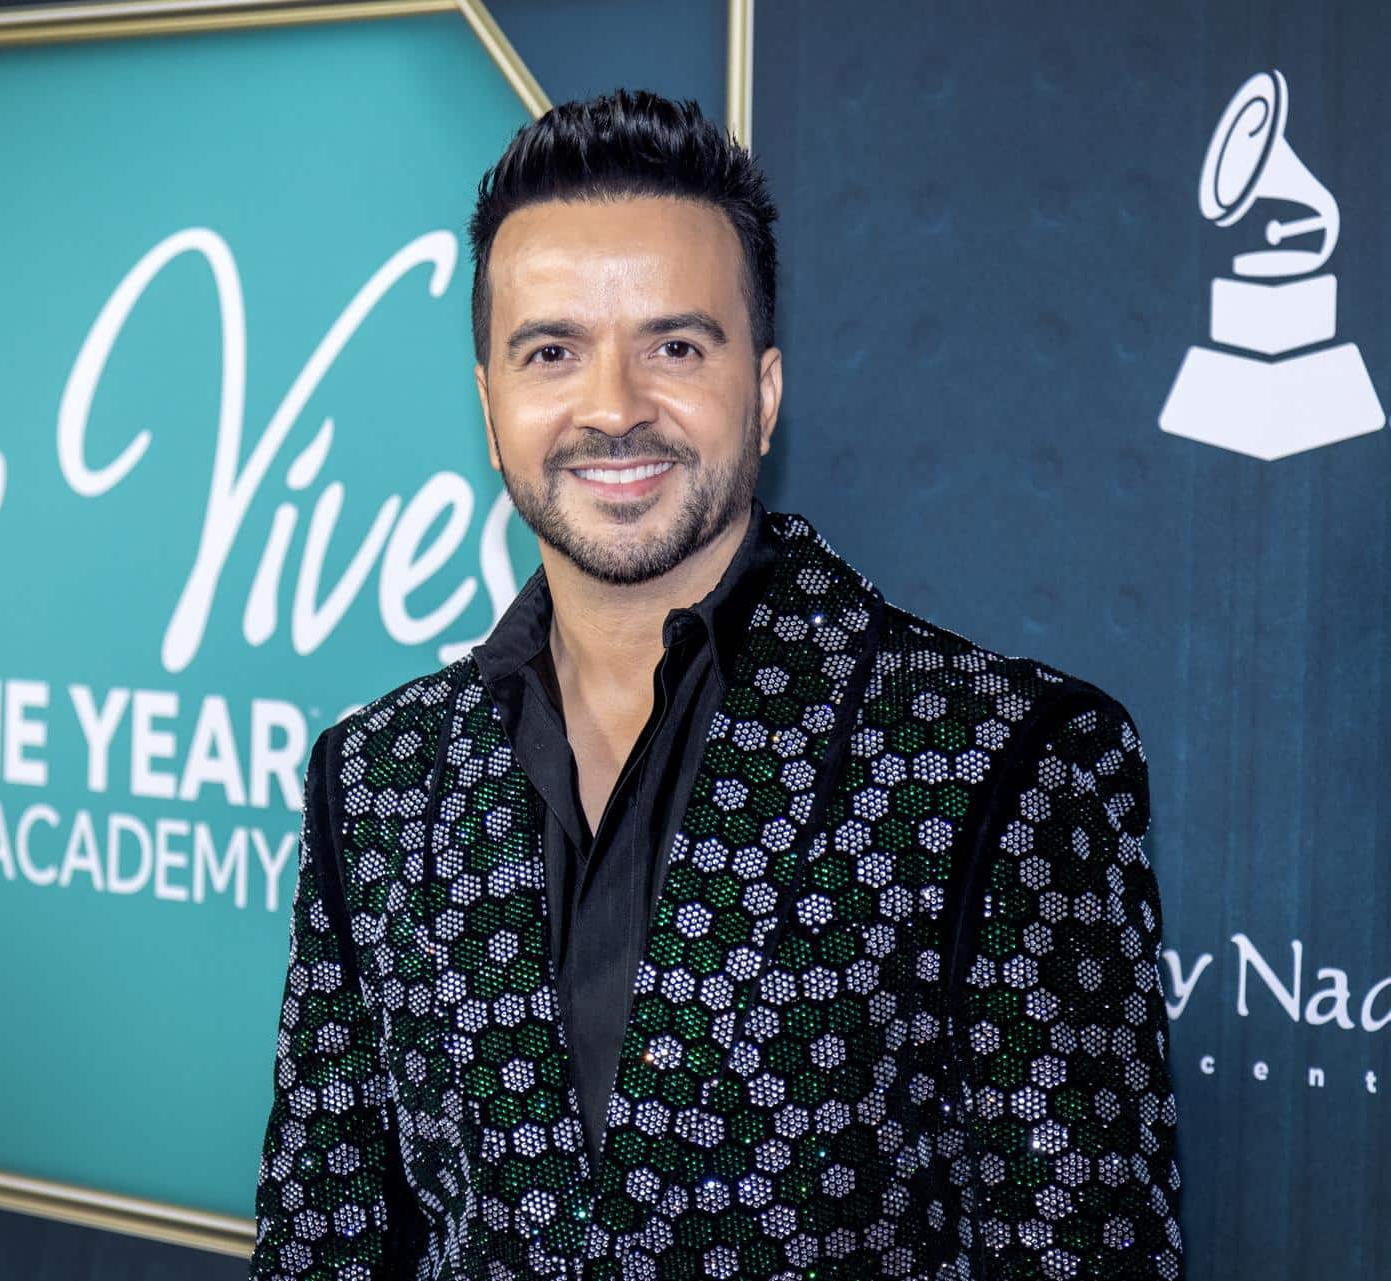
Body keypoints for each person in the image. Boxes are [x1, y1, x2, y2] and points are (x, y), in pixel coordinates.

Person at [250, 89, 1182, 1281]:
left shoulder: (1005, 764)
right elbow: (321, 1242)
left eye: (676, 346)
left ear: (768, 391)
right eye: (551, 352)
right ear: (489, 408)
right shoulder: (376, 783)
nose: (613, 407)